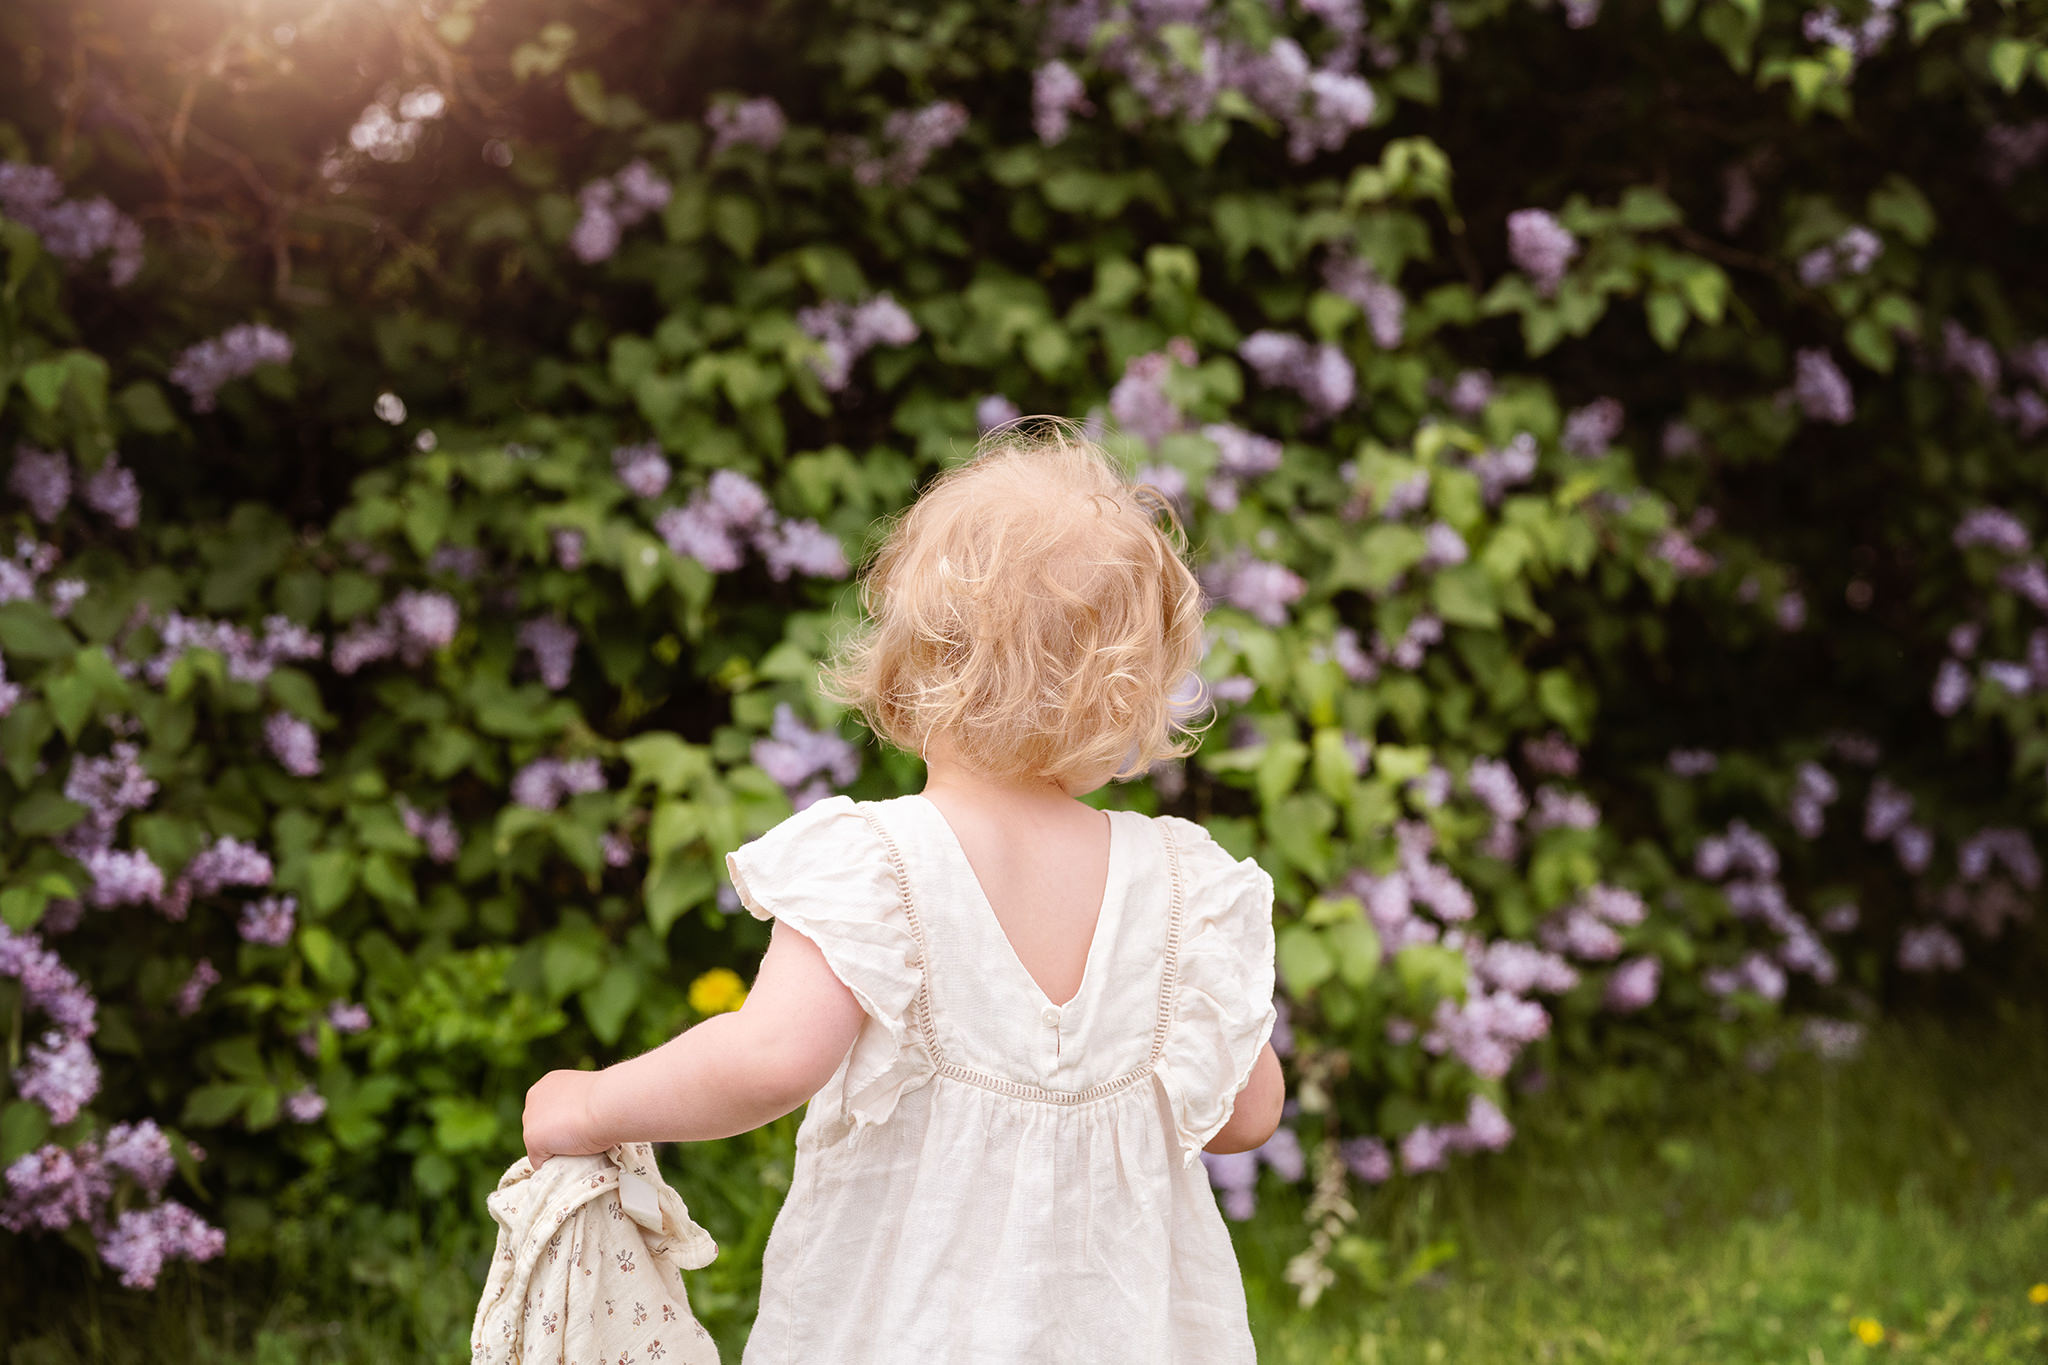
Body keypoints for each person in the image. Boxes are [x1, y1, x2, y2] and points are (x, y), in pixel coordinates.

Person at [521, 417, 1285, 1361]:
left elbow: (771, 1057)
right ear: (1129, 693)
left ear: (916, 665)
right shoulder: (1180, 887)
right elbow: (1248, 1114)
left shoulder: (879, 866)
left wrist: (591, 1102)